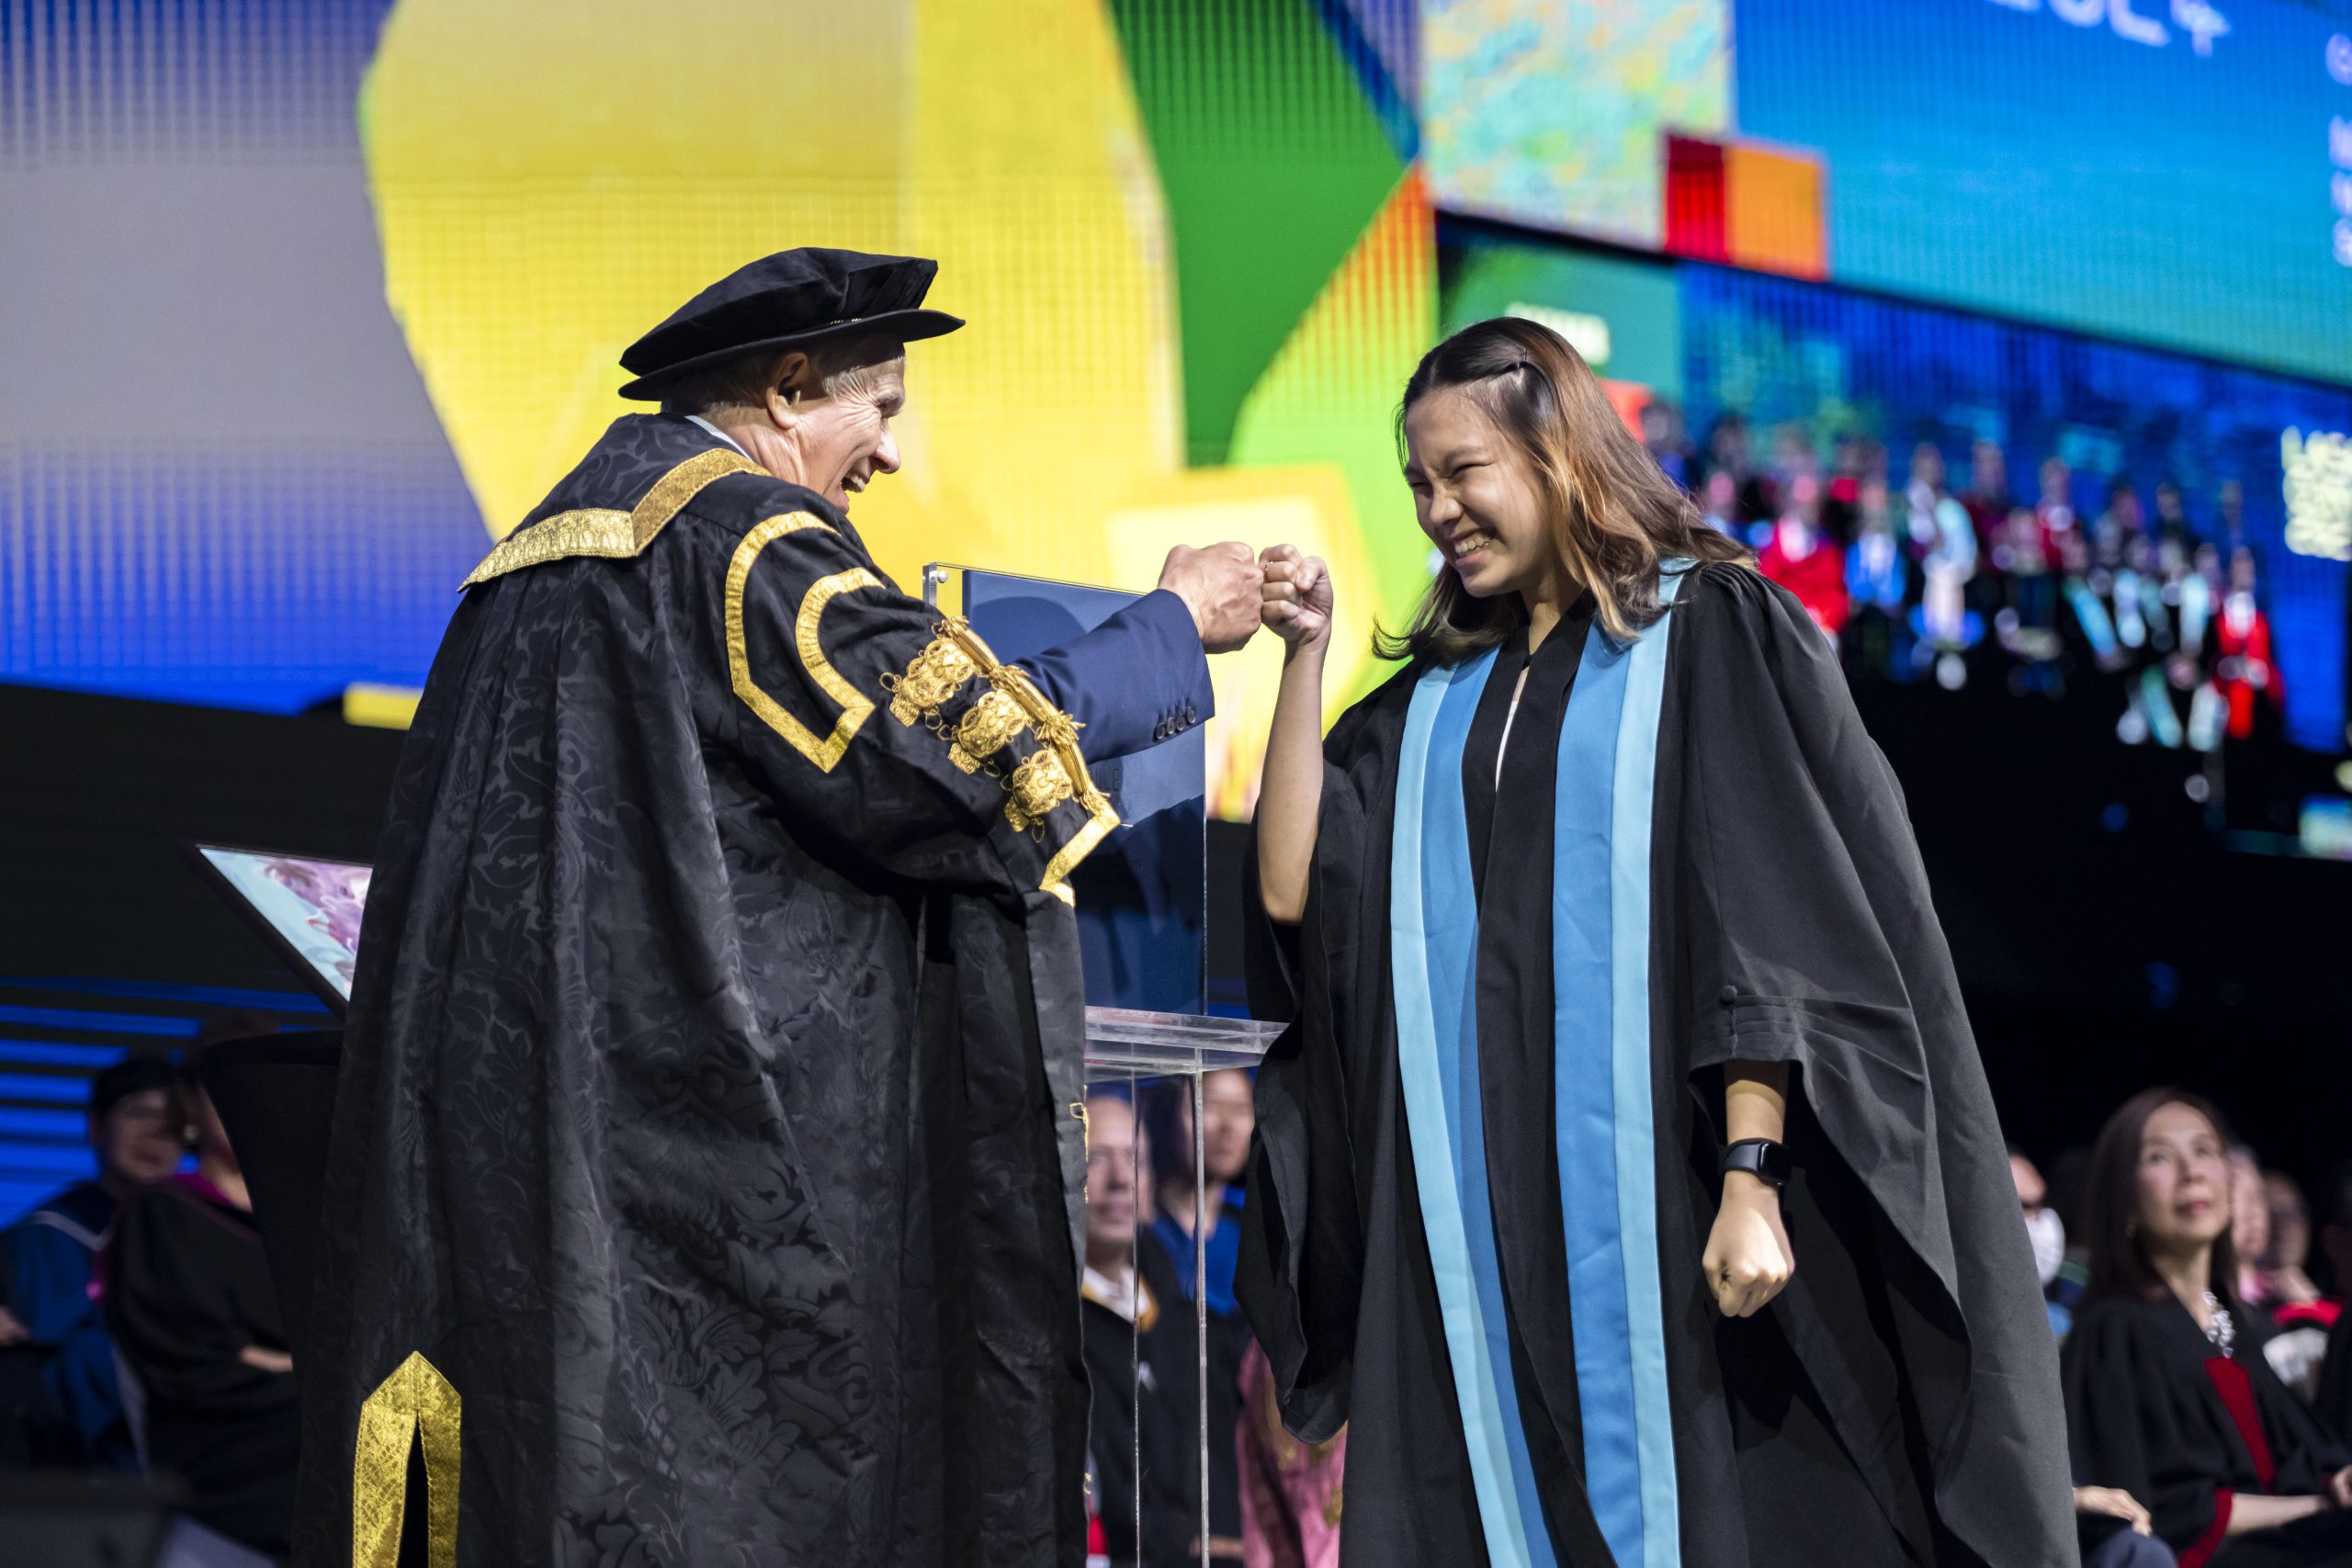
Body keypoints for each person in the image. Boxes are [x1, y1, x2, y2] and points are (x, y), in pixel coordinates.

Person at [293, 248, 1270, 1566]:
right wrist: (1167, 626)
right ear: (793, 386)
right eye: (882, 412)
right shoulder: (743, 535)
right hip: (676, 1153)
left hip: (501, 1134)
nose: (888, 459)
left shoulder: (531, 558)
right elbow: (948, 745)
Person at [1241, 316, 2075, 1567]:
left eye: (1461, 471)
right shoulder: (1432, 706)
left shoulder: (1702, 630)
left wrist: (1752, 1175)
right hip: (1472, 1215)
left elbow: (1769, 923)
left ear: (1559, 453)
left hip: (1677, 1200)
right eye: (1418, 481)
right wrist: (1305, 657)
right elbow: (1299, 890)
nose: (1436, 508)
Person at [2062, 1089, 2352, 1567]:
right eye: (2160, 1156)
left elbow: (2309, 1455)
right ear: (2125, 1198)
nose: (2192, 1172)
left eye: (2205, 1151)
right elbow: (2160, 1509)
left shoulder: (2239, 1328)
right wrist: (2320, 1507)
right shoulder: (2113, 1330)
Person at [107, 1048, 301, 1556]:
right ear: (194, 1107)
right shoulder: (165, 1214)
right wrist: (308, 1368)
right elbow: (197, 1358)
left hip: (305, 1414)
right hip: (229, 1440)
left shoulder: (307, 1226)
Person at [0, 1057, 180, 1469]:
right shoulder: (41, 1240)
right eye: (138, 1112)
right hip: (67, 1472)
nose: (155, 1132)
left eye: (171, 1121)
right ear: (96, 1126)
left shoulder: (194, 1245)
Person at [1139, 1068, 1258, 1568]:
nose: (1228, 1126)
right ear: (1170, 1117)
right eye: (1211, 1106)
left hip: (1244, 1498)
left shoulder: (1259, 1243)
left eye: (1242, 1110)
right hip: (1159, 1498)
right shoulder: (1135, 1240)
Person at [1081, 1089, 1180, 1568]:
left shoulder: (1175, 1310)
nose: (1120, 1180)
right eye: (1096, 1160)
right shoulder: (1051, 1322)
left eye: (1133, 1159)